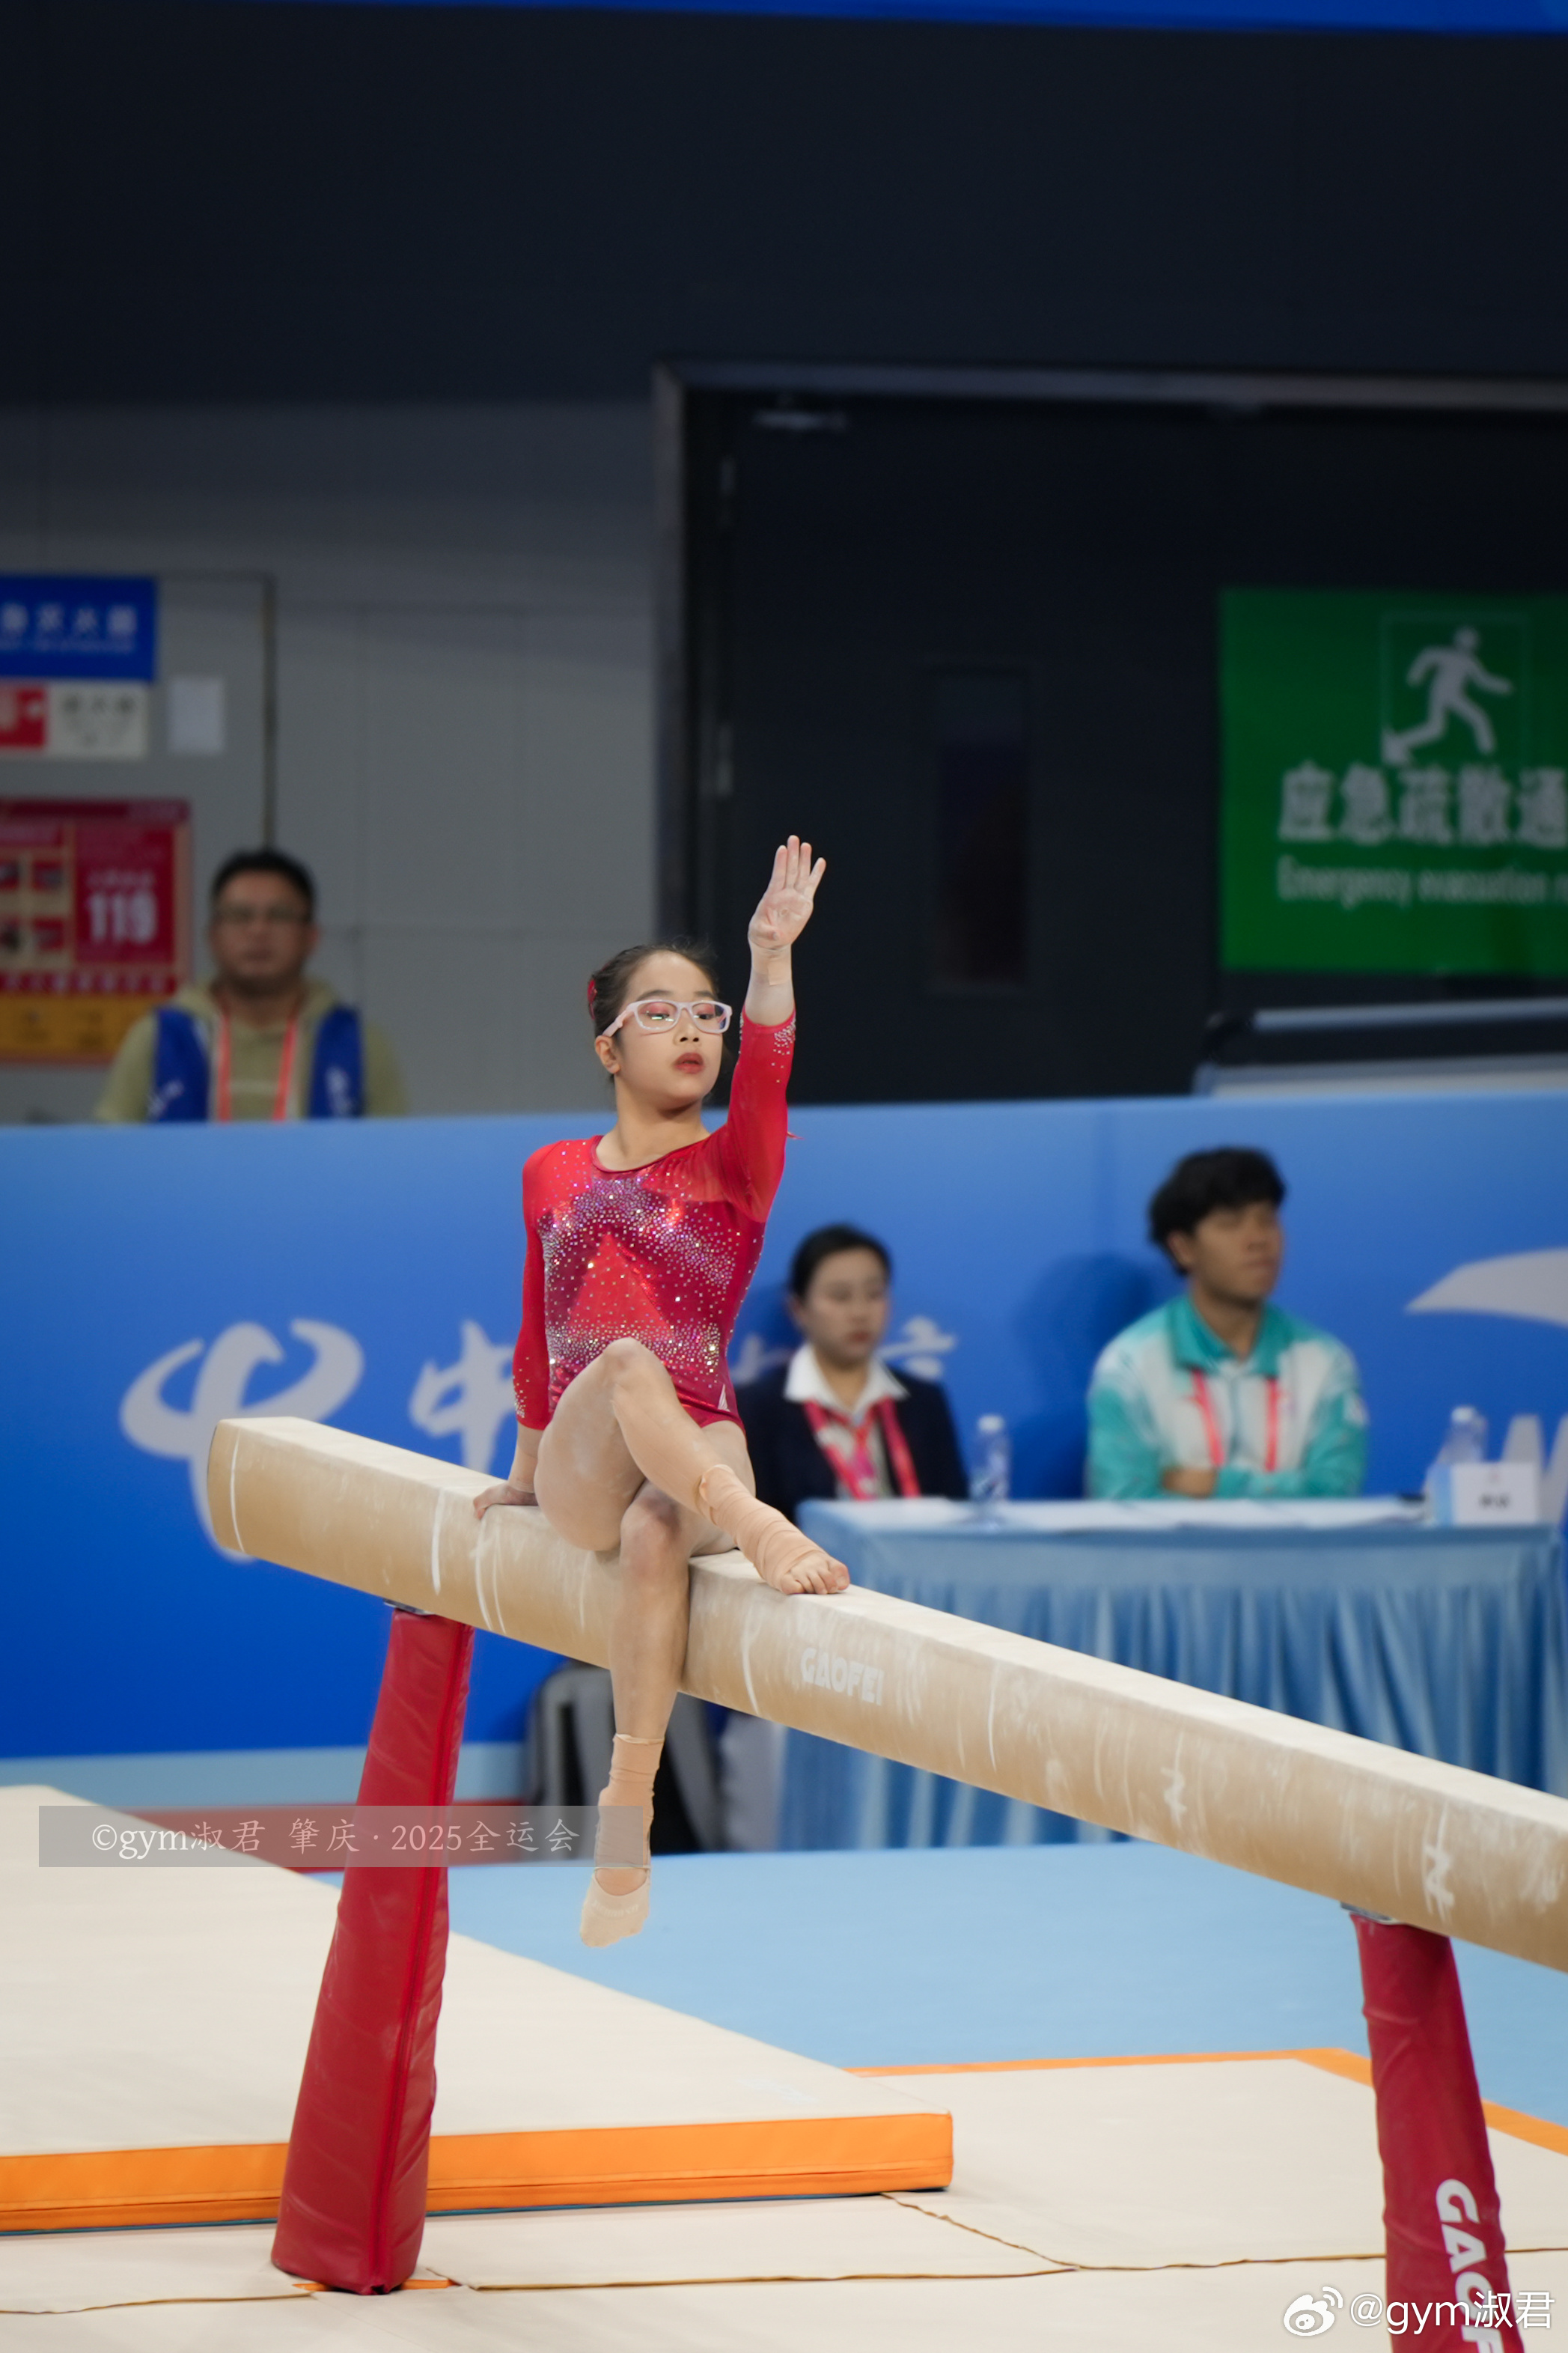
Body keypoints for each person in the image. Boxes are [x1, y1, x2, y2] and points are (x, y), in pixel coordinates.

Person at [473, 838, 849, 1948]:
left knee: (652, 1530)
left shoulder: (737, 1164)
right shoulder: (551, 1170)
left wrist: (769, 958)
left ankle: (625, 1813)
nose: (692, 1029)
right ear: (607, 1044)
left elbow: (770, 1065)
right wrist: (526, 1468)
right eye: (659, 1012)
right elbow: (539, 1324)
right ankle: (757, 1525)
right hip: (595, 1449)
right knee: (628, 1364)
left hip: (701, 1440)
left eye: (705, 1013)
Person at [1087, 1145, 1367, 1501]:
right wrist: (1282, 1490)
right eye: (1231, 1224)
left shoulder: (1325, 1360)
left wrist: (1215, 1485)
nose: (1258, 1240)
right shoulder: (1130, 1365)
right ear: (1183, 1249)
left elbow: (1337, 1494)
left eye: (1267, 1220)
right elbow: (1123, 1502)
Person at [94, 847, 406, 1122]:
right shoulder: (158, 1039)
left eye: (279, 916)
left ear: (311, 937)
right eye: (240, 916)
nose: (258, 930)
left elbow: (393, 1157)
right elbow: (110, 1153)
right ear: (213, 937)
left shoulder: (359, 1044)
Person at [740, 1223, 968, 1518]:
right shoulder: (758, 1409)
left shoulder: (924, 1402)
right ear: (798, 1309)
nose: (860, 1312)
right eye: (840, 1296)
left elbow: (955, 1515)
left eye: (874, 1294)